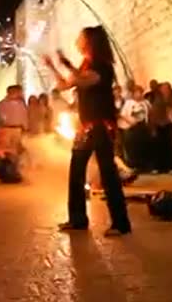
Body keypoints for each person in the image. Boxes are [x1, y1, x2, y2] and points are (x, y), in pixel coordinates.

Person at [43, 26, 131, 236]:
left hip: (100, 126)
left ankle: (121, 223)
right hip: (86, 128)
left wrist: (65, 63)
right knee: (76, 173)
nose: (77, 40)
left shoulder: (102, 66)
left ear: (90, 41)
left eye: (81, 37)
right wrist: (53, 67)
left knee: (108, 174)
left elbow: (83, 80)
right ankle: (78, 219)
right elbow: (65, 85)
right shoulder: (86, 65)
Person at [119, 85, 151, 172]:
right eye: (137, 93)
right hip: (132, 127)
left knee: (143, 146)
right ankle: (134, 165)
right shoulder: (128, 103)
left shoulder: (146, 103)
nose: (139, 95)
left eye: (140, 92)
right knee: (133, 147)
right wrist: (130, 122)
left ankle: (144, 166)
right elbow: (122, 114)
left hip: (143, 126)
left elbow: (149, 113)